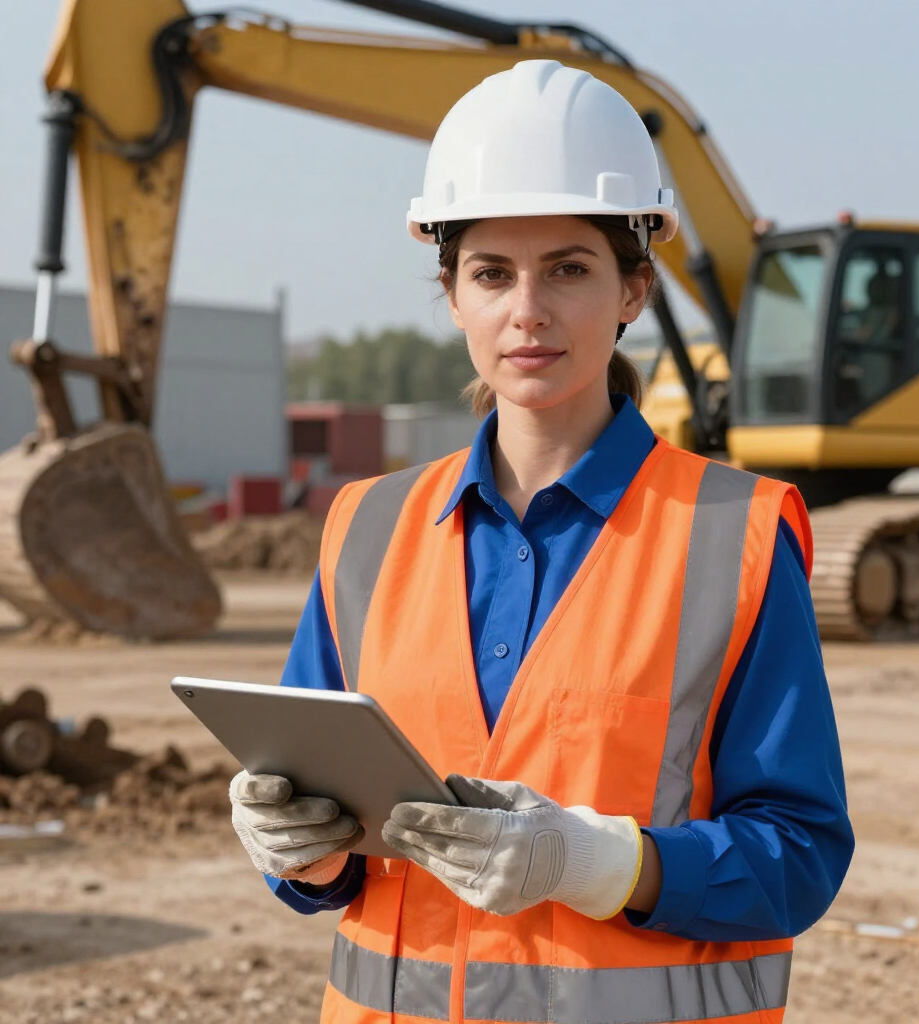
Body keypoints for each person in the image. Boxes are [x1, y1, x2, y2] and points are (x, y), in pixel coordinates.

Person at [228, 60, 854, 1024]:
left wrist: (608, 866)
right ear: (451, 294)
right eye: (491, 273)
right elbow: (329, 838)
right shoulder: (364, 529)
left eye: (569, 268)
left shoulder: (737, 533)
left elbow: (800, 856)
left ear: (634, 288)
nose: (528, 309)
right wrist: (299, 853)